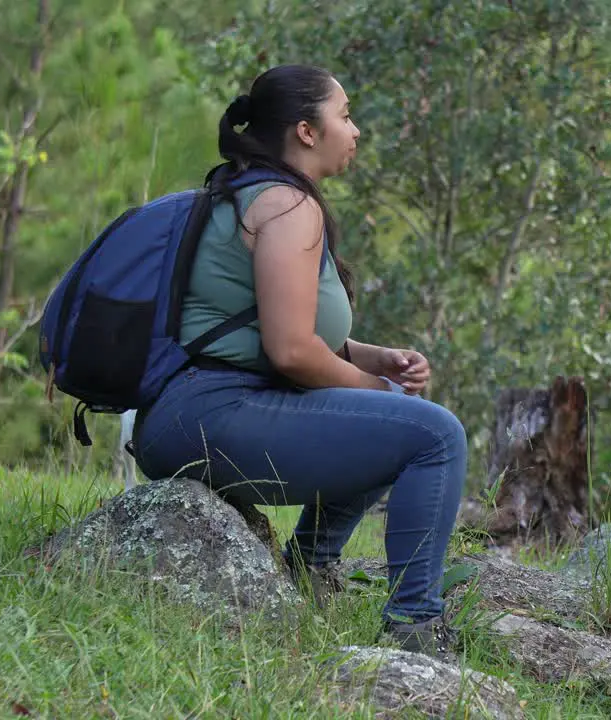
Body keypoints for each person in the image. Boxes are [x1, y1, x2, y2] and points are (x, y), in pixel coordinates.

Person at [129, 64, 467, 656]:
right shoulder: (287, 205)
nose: (356, 129)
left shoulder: (251, 192)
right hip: (210, 411)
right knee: (433, 436)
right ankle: (416, 628)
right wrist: (373, 387)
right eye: (345, 115)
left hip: (190, 413)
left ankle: (311, 570)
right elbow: (289, 351)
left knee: (395, 415)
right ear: (307, 132)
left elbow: (260, 328)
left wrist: (374, 360)